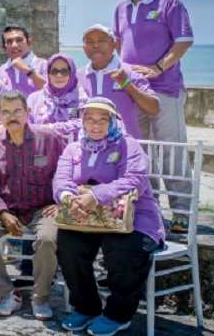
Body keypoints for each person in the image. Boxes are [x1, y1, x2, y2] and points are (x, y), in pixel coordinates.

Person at [54, 97, 166, 335]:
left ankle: (118, 314)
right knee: (68, 245)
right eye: (90, 119)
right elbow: (61, 179)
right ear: (83, 121)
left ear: (113, 121)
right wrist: (68, 199)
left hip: (134, 217)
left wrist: (95, 196)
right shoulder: (73, 148)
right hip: (86, 217)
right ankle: (87, 307)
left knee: (122, 247)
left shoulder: (127, 145)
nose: (96, 125)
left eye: (103, 120)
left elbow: (134, 179)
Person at [112, 0, 195, 233]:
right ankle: (151, 208)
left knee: (171, 151)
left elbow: (183, 41)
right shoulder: (121, 8)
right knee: (141, 151)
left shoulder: (169, 3)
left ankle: (182, 211)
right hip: (133, 92)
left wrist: (159, 67)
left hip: (166, 89)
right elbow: (118, 44)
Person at [0, 89, 66, 321]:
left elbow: (67, 173)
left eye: (17, 111)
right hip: (8, 208)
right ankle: (6, 294)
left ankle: (40, 297)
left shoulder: (49, 138)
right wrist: (3, 213)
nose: (12, 116)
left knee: (47, 239)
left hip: (43, 208)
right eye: (6, 112)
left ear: (28, 112)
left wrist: (60, 202)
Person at [78, 24, 159, 140]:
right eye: (90, 42)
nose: (96, 45)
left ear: (114, 45)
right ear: (84, 48)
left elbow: (154, 109)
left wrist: (126, 83)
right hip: (88, 147)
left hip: (125, 147)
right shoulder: (77, 77)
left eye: (102, 41)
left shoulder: (130, 73)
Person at [26, 53, 87, 139]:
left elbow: (84, 122)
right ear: (48, 73)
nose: (59, 75)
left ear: (72, 73)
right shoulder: (34, 99)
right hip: (41, 150)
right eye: (54, 71)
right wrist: (44, 129)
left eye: (64, 71)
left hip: (73, 150)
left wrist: (55, 127)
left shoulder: (81, 98)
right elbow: (26, 125)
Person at [0, 24, 46, 95]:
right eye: (9, 41)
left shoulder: (44, 65)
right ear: (3, 47)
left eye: (19, 40)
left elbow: (53, 90)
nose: (14, 45)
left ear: (29, 42)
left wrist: (26, 69)